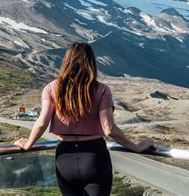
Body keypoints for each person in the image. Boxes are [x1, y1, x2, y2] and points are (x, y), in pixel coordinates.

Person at [14, 42, 154, 195]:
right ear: (91, 62)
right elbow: (109, 129)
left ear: (66, 61)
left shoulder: (51, 88)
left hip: (64, 158)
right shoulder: (102, 89)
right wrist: (135, 146)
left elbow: (41, 122)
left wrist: (28, 144)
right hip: (94, 156)